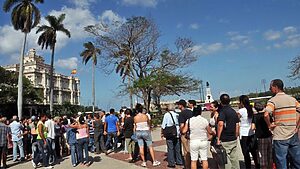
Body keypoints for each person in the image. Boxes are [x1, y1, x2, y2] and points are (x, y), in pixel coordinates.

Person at [264, 79, 300, 169]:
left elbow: (266, 114)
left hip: (280, 135)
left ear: (275, 87)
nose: (270, 89)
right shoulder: (292, 99)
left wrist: (269, 125)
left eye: (270, 87)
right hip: (293, 133)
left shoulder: (272, 100)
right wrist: (297, 126)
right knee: (296, 160)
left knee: (281, 161)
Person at [216, 94, 240, 169]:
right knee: (234, 158)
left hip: (225, 138)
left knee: (226, 159)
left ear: (221, 102)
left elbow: (220, 124)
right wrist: (236, 135)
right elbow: (237, 125)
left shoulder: (222, 112)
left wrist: (218, 138)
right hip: (233, 138)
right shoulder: (233, 111)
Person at [237, 95, 259, 169]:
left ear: (241, 102)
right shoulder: (251, 109)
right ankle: (257, 166)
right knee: (254, 153)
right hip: (252, 133)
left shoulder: (241, 111)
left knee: (246, 154)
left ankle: (248, 167)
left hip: (244, 133)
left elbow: (236, 120)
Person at [252, 102, 273, 169]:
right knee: (270, 156)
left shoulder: (255, 116)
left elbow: (252, 127)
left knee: (263, 157)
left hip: (260, 137)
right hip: (269, 136)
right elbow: (272, 124)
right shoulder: (267, 114)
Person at [177, 99, 193, 169]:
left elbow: (181, 125)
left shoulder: (182, 113)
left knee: (186, 151)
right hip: (192, 132)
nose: (177, 106)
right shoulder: (191, 112)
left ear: (181, 105)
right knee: (193, 150)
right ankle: (195, 163)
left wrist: (181, 132)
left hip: (185, 133)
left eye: (178, 104)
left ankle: (188, 166)